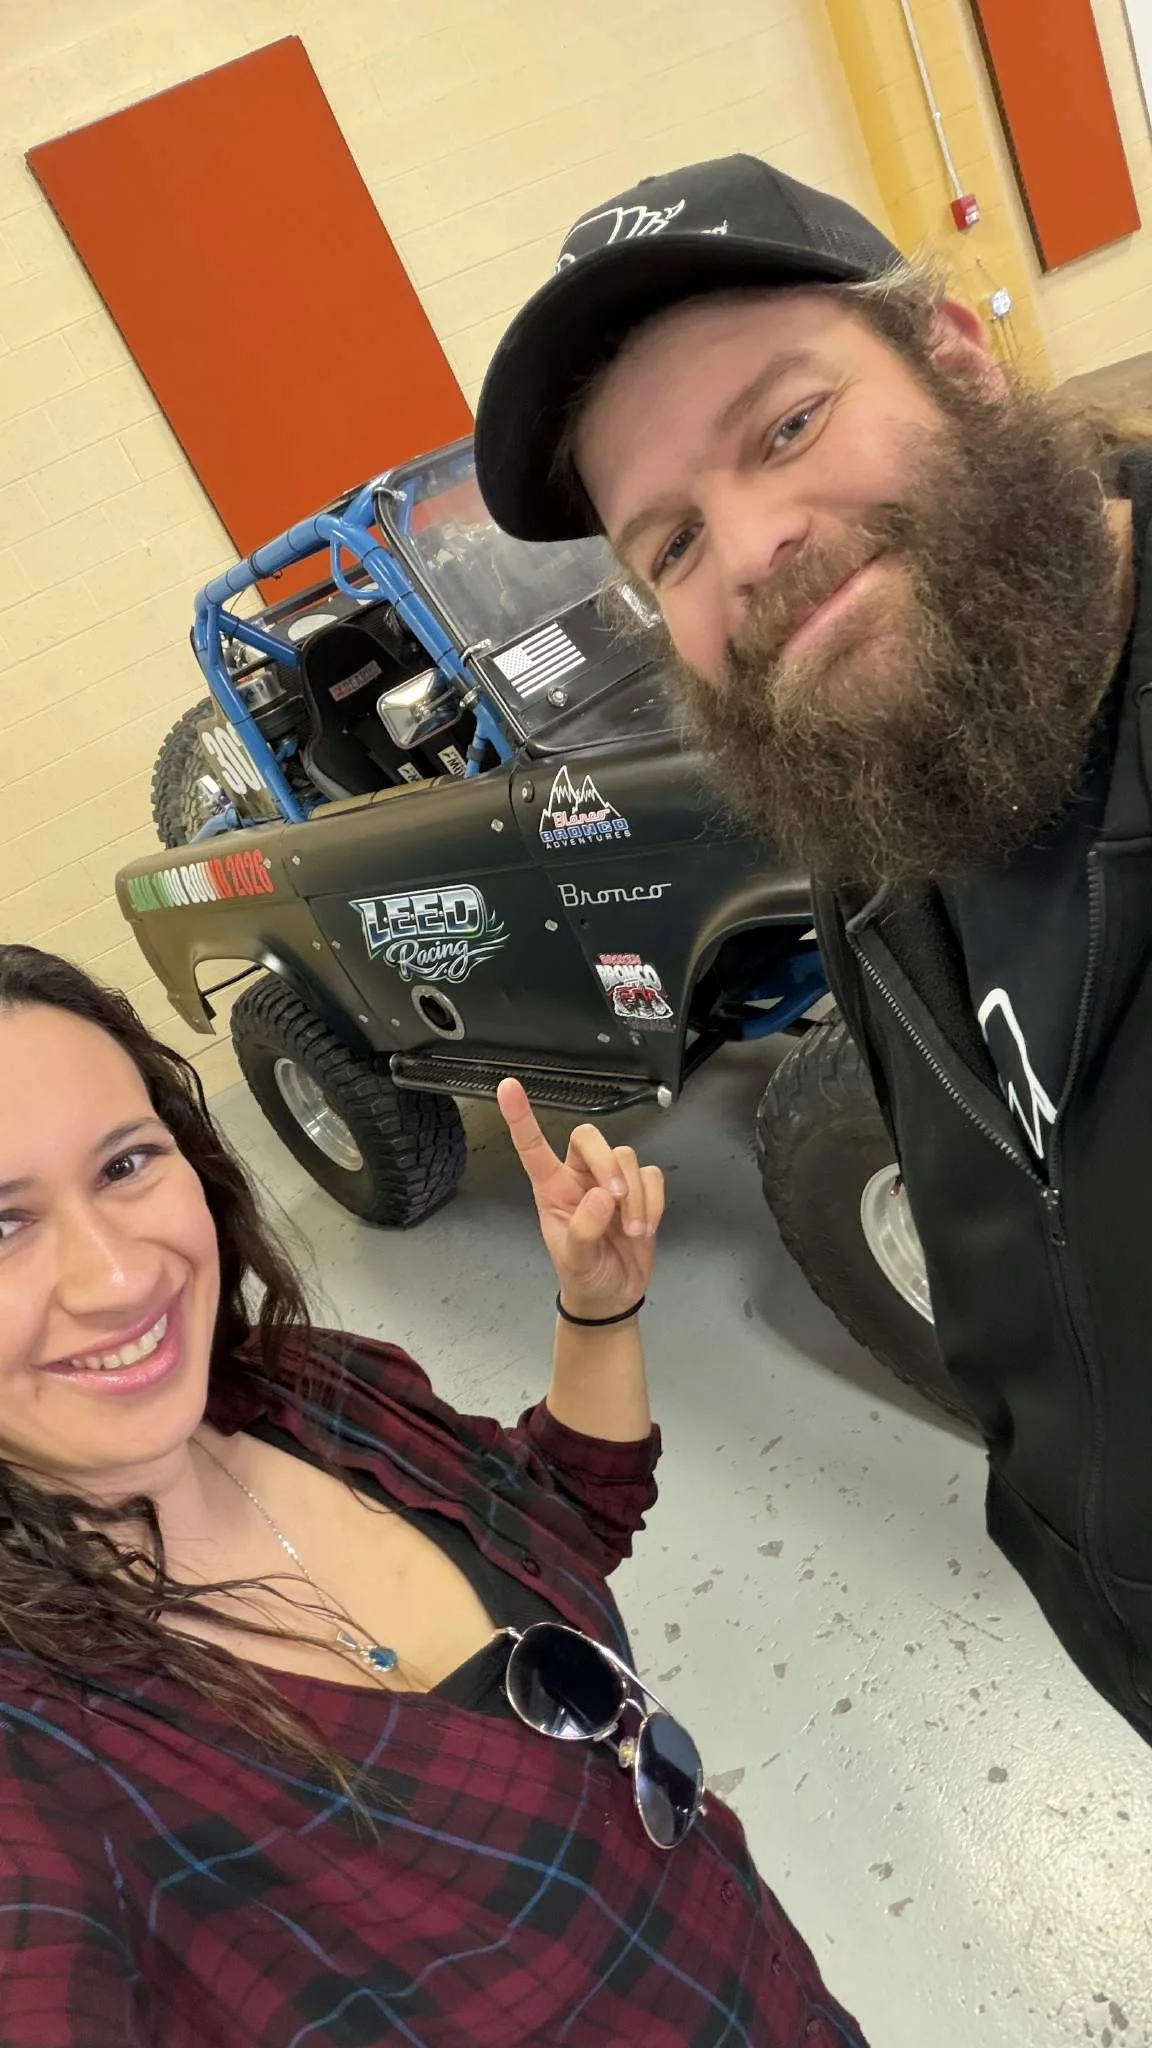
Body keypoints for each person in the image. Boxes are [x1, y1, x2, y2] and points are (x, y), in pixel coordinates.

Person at [474, 152, 1152, 1747]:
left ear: (960, 361)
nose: (758, 545)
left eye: (787, 426)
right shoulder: (881, 857)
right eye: (673, 548)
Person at [0, 942, 866, 2048]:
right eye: (2, 1223)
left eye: (125, 1163)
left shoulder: (306, 1389)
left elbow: (557, 1514)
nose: (118, 1274)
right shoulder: (45, 1753)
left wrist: (595, 1309)